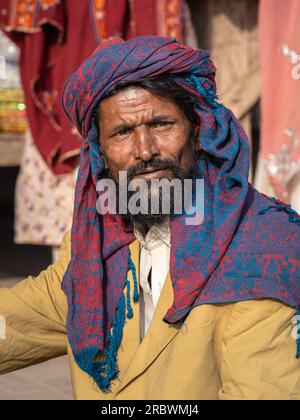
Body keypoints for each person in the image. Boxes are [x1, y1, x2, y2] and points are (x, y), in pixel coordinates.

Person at [0, 36, 300, 400]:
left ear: (198, 130)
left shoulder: (261, 249)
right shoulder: (100, 248)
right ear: (100, 153)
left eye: (161, 124)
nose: (145, 151)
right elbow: (15, 324)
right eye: (123, 132)